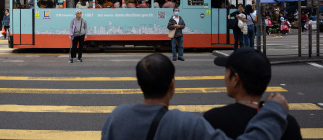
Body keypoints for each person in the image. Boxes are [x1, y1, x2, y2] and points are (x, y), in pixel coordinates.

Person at [102, 53, 290, 140]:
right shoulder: (188, 124)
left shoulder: (116, 118)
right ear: (172, 85)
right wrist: (273, 111)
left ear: (140, 84)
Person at [204, 48, 302, 140]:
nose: (224, 77)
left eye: (226, 72)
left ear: (235, 79)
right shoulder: (287, 123)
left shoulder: (214, 119)